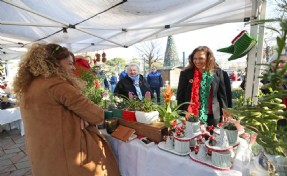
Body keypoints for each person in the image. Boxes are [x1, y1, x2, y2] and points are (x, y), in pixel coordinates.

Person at [13, 43, 120, 176]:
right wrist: (83, 116)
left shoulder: (29, 86)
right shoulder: (56, 84)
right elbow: (97, 115)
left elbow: (53, 114)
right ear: (54, 63)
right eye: (69, 63)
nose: (73, 67)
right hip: (69, 155)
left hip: (43, 153)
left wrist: (79, 116)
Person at [176, 46, 228, 126]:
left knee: (212, 137)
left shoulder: (218, 73)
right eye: (195, 58)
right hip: (191, 116)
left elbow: (222, 94)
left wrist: (225, 110)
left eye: (201, 58)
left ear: (208, 58)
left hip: (213, 115)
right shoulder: (186, 74)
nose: (197, 61)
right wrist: (180, 114)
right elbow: (180, 95)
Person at [261, 52, 287, 128]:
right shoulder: (264, 78)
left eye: (282, 62)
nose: (278, 65)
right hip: (272, 121)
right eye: (274, 62)